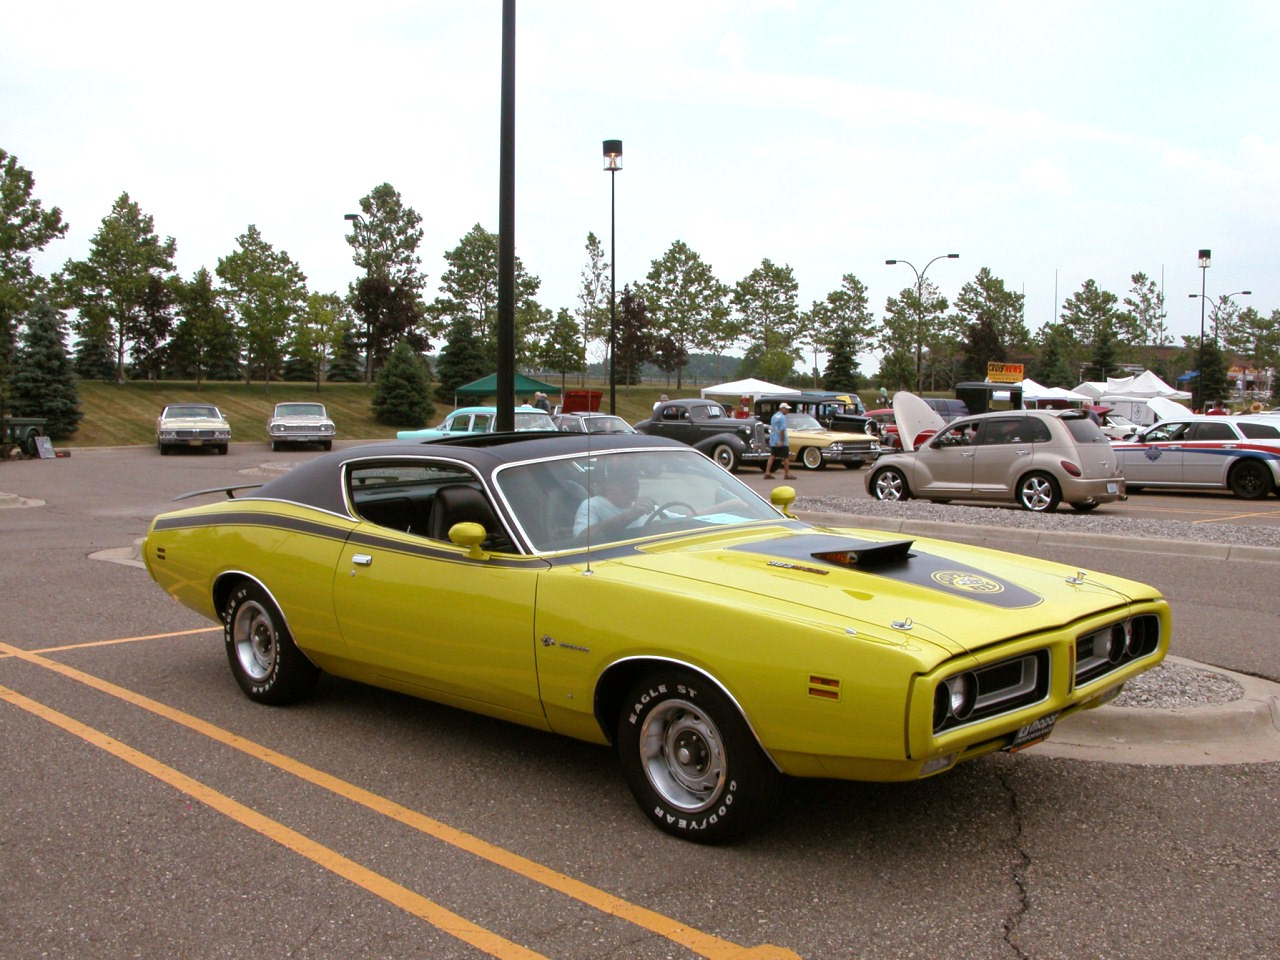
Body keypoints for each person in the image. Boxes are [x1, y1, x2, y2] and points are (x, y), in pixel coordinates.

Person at [573, 463, 655, 538]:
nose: (634, 483)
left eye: (636, 477)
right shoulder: (592, 505)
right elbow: (581, 538)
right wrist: (630, 516)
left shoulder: (646, 506)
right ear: (606, 485)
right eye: (626, 479)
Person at [764, 402, 793, 479]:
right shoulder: (782, 417)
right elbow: (782, 430)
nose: (787, 411)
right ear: (782, 408)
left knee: (772, 455)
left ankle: (767, 472)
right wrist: (782, 440)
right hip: (781, 441)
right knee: (786, 457)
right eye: (786, 409)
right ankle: (787, 474)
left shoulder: (774, 416)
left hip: (773, 440)